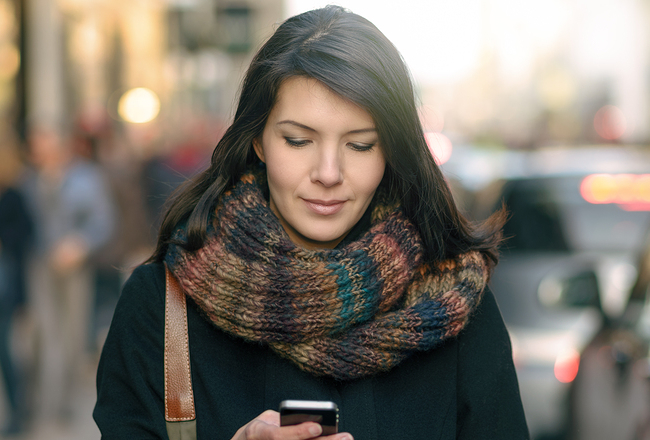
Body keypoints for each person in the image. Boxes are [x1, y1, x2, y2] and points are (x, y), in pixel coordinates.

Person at [94, 6, 529, 439]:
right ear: (258, 140)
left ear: (391, 152)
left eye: (359, 145)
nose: (328, 172)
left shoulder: (454, 302)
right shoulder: (161, 308)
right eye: (298, 140)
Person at [22, 126, 116, 425]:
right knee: (46, 333)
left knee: (72, 334)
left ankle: (65, 400)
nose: (38, 150)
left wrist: (80, 244)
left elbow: (104, 221)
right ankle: (43, 400)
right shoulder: (28, 179)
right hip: (38, 264)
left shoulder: (86, 176)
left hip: (75, 267)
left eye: (44, 142)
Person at [0, 134, 33, 436]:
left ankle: (18, 411)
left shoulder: (13, 195)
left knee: (4, 350)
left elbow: (24, 237)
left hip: (4, 280)